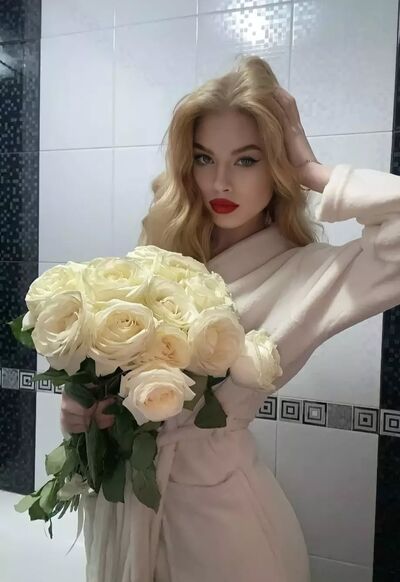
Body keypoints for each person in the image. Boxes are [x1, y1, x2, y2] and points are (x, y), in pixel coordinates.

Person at [61, 55, 400, 582]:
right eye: (204, 158)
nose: (220, 182)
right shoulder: (162, 256)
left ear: (277, 167)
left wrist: (312, 171)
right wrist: (86, 407)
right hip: (130, 509)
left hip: (221, 528)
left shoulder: (310, 274)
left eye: (247, 160)